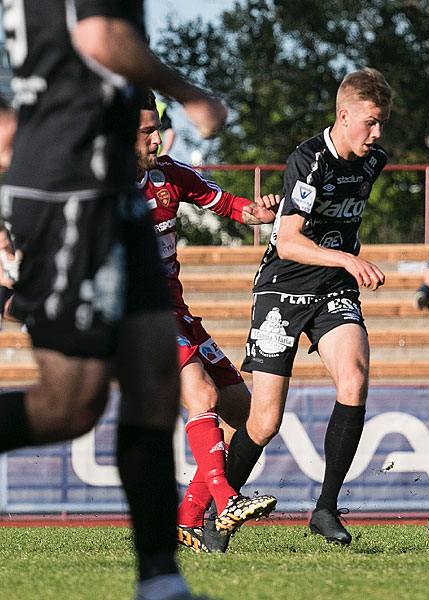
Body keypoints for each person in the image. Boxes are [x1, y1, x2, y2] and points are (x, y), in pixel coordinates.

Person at [0, 2, 227, 599]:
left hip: (108, 193)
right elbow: (100, 37)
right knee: (69, 405)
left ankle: (160, 580)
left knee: (154, 377)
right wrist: (188, 92)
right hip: (70, 193)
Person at [240, 68, 392, 546]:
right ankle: (208, 505)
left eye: (382, 122)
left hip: (333, 289)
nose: (378, 133)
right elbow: (286, 242)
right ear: (343, 116)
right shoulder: (309, 158)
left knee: (355, 379)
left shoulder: (374, 160)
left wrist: (342, 265)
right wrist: (347, 257)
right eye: (370, 122)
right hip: (282, 289)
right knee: (264, 421)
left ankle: (325, 508)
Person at [135, 91, 279, 553]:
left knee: (246, 413)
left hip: (177, 314)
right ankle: (227, 496)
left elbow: (226, 203)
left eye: (157, 129)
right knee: (203, 394)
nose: (156, 139)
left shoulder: (168, 175)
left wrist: (257, 212)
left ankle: (187, 517)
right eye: (146, 133)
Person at [0, 226, 19, 330]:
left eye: (5, 240)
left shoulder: (19, 252)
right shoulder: (0, 255)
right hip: (8, 287)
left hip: (19, 287)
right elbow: (2, 280)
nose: (5, 244)